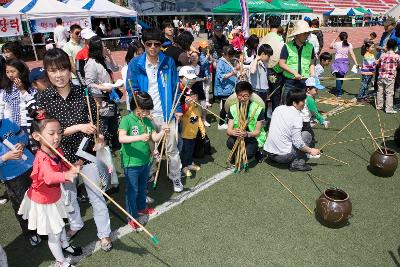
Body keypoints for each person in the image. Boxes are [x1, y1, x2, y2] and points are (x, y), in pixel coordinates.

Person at [36, 48, 113, 251]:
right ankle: (76, 223)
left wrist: (101, 136)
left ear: (69, 69)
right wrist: (78, 127)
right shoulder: (43, 98)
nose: (58, 75)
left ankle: (104, 234)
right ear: (46, 72)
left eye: (62, 69)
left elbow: (98, 120)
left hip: (87, 153)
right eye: (52, 71)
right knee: (68, 199)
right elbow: (49, 133)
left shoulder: (83, 92)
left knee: (96, 196)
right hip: (61, 158)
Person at [18, 111, 82, 267]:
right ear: (37, 136)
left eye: (59, 132)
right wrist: (67, 174)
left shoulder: (55, 150)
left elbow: (62, 162)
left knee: (60, 224)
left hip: (54, 195)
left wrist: (73, 166)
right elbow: (49, 177)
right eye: (51, 133)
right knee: (54, 233)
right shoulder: (42, 157)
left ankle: (65, 245)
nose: (57, 137)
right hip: (43, 202)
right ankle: (60, 262)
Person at [126, 28, 184, 193]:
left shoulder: (168, 62)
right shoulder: (135, 63)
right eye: (149, 44)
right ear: (143, 44)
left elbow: (174, 88)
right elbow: (133, 90)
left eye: (156, 44)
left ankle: (175, 176)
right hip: (146, 115)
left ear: (161, 45)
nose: (152, 47)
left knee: (172, 148)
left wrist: (178, 108)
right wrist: (140, 112)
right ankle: (149, 175)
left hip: (167, 113)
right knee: (148, 149)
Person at [118, 92, 165, 229]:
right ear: (134, 107)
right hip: (131, 163)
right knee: (132, 190)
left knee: (142, 187)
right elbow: (121, 138)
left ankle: (142, 207)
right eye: (142, 110)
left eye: (147, 110)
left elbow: (154, 138)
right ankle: (132, 216)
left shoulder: (147, 121)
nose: (145, 113)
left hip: (145, 161)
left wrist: (163, 131)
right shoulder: (127, 119)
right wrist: (139, 137)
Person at [0, 118, 41, 247]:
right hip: (12, 176)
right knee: (23, 205)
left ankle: (45, 224)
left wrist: (22, 144)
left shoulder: (7, 122)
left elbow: (23, 137)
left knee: (42, 195)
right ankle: (31, 232)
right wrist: (5, 157)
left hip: (31, 164)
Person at [264, 88, 320, 172]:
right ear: (294, 103)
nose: (304, 104)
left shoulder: (278, 108)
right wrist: (311, 150)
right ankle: (297, 164)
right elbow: (298, 143)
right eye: (303, 101)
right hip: (282, 157)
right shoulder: (297, 117)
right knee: (307, 135)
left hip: (269, 152)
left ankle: (275, 157)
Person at [84, 36, 120, 150]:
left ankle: (115, 144)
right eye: (103, 46)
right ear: (97, 48)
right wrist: (102, 87)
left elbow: (115, 68)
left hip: (110, 95)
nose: (105, 47)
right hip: (101, 98)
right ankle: (106, 145)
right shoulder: (91, 63)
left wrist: (110, 56)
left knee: (113, 119)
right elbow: (89, 83)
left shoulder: (103, 60)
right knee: (105, 121)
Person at [227, 81, 266, 162]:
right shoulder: (233, 108)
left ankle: (257, 150)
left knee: (248, 154)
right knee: (230, 142)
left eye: (245, 96)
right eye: (240, 95)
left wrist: (247, 134)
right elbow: (229, 130)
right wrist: (232, 132)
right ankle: (239, 151)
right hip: (239, 136)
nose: (242, 98)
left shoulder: (258, 109)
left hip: (252, 136)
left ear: (250, 95)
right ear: (236, 94)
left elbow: (257, 132)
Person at [279, 20, 316, 104]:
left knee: (303, 106)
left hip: (304, 82)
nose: (307, 35)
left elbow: (311, 63)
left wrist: (313, 75)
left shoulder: (310, 47)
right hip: (290, 82)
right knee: (287, 105)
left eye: (308, 33)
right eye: (304, 33)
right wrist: (294, 73)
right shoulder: (287, 46)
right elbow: (281, 63)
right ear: (297, 34)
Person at [178, 66, 205, 177]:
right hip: (181, 127)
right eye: (189, 78)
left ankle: (188, 163)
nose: (192, 81)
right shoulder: (175, 89)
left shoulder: (189, 89)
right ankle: (182, 166)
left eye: (193, 78)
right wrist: (187, 104)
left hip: (192, 131)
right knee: (181, 148)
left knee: (189, 148)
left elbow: (197, 116)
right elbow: (178, 110)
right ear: (181, 78)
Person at [0, 59, 36, 135]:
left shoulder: (30, 87)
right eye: (7, 72)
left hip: (26, 125)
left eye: (13, 71)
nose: (10, 75)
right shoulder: (6, 90)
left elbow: (33, 104)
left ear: (21, 71)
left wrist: (22, 90)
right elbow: (2, 108)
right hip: (12, 126)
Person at [260, 15, 285, 112]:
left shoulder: (264, 38)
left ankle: (264, 117)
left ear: (269, 24)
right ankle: (274, 116)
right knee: (276, 96)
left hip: (264, 68)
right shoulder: (280, 39)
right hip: (276, 70)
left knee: (265, 95)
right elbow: (282, 56)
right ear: (279, 25)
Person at [215, 45, 239, 130]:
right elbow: (221, 76)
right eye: (229, 55)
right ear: (223, 54)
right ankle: (221, 123)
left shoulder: (228, 60)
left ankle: (228, 121)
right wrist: (233, 73)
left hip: (230, 88)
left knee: (229, 106)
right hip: (224, 89)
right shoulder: (220, 62)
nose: (231, 57)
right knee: (226, 107)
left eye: (232, 55)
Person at [301, 77, 329, 147]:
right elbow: (314, 112)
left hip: (300, 119)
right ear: (308, 90)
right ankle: (309, 150)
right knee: (310, 135)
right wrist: (322, 121)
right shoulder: (310, 100)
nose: (317, 92)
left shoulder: (303, 96)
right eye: (316, 90)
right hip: (304, 120)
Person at [329, 32, 358, 98]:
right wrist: (356, 63)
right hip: (345, 62)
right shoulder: (349, 44)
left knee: (338, 78)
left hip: (338, 62)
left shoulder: (337, 44)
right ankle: (338, 90)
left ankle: (338, 92)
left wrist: (335, 39)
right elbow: (352, 54)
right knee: (341, 77)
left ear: (340, 37)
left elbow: (330, 46)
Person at [249, 44, 272, 121]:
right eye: (268, 55)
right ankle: (254, 125)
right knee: (255, 110)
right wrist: (256, 60)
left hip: (263, 91)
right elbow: (252, 71)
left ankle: (260, 124)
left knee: (261, 109)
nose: (269, 58)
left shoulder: (264, 63)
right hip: (257, 91)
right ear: (262, 54)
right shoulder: (255, 62)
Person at [376, 39, 400, 114]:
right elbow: (398, 65)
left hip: (381, 75)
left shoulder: (383, 55)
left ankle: (379, 106)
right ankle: (389, 108)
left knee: (380, 91)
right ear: (395, 47)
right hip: (390, 76)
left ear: (387, 46)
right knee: (389, 92)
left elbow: (378, 63)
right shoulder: (396, 56)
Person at [121, 41, 144, 111]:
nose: (141, 56)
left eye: (142, 54)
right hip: (135, 104)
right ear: (131, 54)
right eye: (138, 54)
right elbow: (129, 86)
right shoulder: (126, 69)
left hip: (145, 102)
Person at [198, 41, 213, 108]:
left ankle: (207, 101)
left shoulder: (206, 54)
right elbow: (202, 65)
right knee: (204, 89)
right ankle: (204, 102)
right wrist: (207, 58)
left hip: (208, 74)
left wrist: (210, 59)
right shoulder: (200, 56)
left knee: (207, 89)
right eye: (204, 47)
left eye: (206, 47)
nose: (206, 48)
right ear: (201, 48)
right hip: (203, 74)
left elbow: (209, 63)